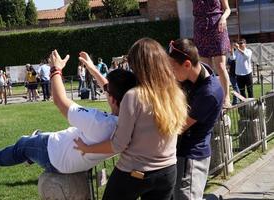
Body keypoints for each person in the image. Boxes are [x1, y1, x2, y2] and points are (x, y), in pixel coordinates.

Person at [0, 53, 137, 174]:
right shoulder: (129, 122)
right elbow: (111, 89)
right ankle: (34, 149)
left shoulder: (98, 122)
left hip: (53, 153)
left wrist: (56, 70)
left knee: (23, 144)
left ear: (114, 100)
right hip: (71, 160)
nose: (105, 89)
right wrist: (92, 69)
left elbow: (60, 100)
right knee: (39, 138)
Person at [75, 38, 188, 200]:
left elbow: (118, 144)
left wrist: (87, 148)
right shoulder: (175, 93)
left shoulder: (134, 96)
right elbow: (110, 88)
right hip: (168, 172)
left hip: (135, 173)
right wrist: (92, 68)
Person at [167, 39, 224, 200]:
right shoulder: (196, 73)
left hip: (191, 158)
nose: (170, 73)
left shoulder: (209, 93)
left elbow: (179, 126)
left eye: (172, 68)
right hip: (181, 154)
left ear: (187, 64)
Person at [193, 0, 231, 108]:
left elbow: (227, 9)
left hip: (217, 25)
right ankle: (210, 98)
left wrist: (223, 18)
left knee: (220, 66)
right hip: (200, 27)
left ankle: (226, 97)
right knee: (206, 68)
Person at [227, 41, 240, 105]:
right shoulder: (230, 56)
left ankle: (237, 100)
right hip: (232, 74)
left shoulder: (237, 54)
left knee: (236, 87)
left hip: (236, 73)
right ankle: (236, 100)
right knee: (235, 87)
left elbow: (233, 57)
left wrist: (232, 47)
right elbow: (228, 65)